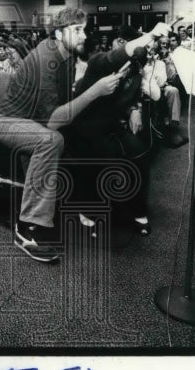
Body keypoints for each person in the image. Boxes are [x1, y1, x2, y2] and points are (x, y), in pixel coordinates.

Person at [0, 8, 124, 263]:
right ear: (59, 32)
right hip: (7, 122)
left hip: (30, 122)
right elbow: (53, 122)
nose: (83, 35)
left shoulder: (64, 54)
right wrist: (95, 91)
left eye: (83, 29)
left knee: (75, 136)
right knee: (53, 140)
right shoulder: (47, 60)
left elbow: (62, 105)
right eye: (77, 30)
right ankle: (26, 229)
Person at [66, 22, 171, 236]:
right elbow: (114, 58)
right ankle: (91, 210)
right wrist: (149, 35)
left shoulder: (136, 75)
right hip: (82, 127)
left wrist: (135, 107)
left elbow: (152, 94)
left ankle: (138, 210)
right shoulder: (99, 62)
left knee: (140, 154)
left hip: (110, 127)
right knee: (102, 157)